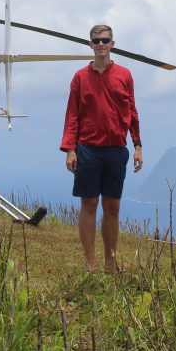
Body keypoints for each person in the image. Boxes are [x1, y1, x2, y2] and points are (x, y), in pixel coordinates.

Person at [60, 24, 143, 272]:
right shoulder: (80, 78)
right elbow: (72, 114)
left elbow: (133, 111)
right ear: (90, 45)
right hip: (87, 148)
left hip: (116, 148)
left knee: (113, 206)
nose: (101, 44)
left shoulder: (125, 75)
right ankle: (90, 261)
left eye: (105, 40)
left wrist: (137, 145)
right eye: (96, 41)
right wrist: (70, 149)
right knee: (89, 203)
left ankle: (110, 260)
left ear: (112, 44)